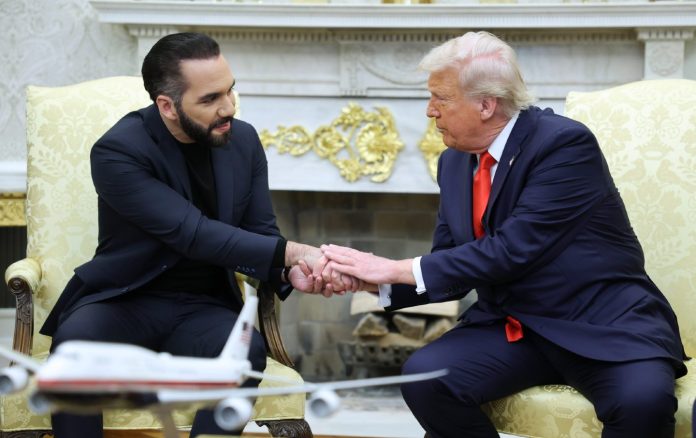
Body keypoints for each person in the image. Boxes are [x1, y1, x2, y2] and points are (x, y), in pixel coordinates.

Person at [319, 31, 688, 438]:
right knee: (426, 379)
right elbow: (451, 264)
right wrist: (369, 280)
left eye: (441, 98)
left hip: (600, 324)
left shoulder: (563, 144)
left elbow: (512, 250)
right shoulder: (454, 163)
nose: (429, 111)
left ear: (486, 104)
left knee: (643, 402)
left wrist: (391, 268)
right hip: (515, 329)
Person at [39, 32, 330, 437]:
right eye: (210, 99)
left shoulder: (243, 140)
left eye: (229, 91)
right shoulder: (118, 150)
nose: (228, 107)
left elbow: (261, 232)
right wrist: (294, 252)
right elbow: (192, 234)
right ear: (167, 106)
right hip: (125, 299)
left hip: (204, 305)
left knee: (244, 351)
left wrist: (286, 272)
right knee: (73, 351)